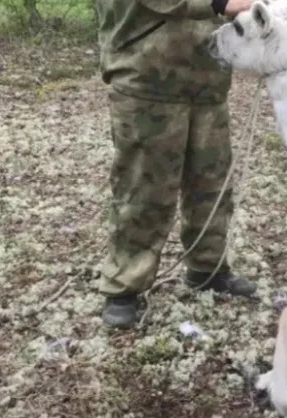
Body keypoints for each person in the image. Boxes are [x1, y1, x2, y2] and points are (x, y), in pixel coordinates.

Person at [94, 0, 258, 328]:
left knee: (212, 183)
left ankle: (207, 268)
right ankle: (125, 284)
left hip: (209, 78)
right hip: (146, 73)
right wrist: (221, 3)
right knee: (144, 189)